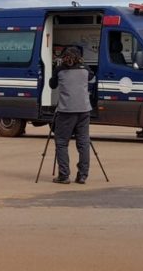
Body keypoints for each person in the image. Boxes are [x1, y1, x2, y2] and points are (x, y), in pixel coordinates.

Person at [50, 46, 94, 184]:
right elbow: (93, 79)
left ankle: (64, 175)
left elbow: (52, 85)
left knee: (62, 142)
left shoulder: (60, 70)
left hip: (66, 111)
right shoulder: (85, 69)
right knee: (83, 143)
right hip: (84, 110)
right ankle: (82, 175)